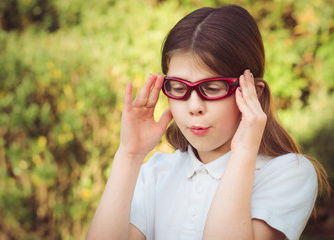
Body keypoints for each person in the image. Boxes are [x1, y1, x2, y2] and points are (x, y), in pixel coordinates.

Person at [86, 4, 329, 240]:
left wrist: (244, 151)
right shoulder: (156, 172)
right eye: (179, 88)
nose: (194, 107)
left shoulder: (288, 173)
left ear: (252, 92)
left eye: (212, 88)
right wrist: (129, 155)